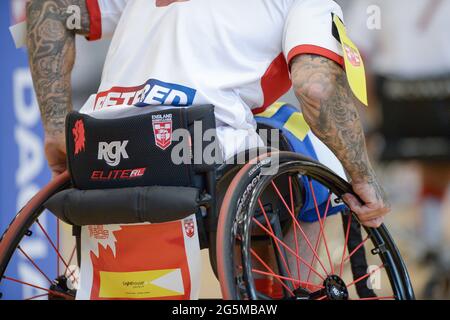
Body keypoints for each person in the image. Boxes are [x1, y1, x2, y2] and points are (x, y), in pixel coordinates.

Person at [26, 1, 390, 297]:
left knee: (272, 129)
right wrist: (363, 178)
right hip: (192, 151)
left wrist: (57, 129)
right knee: (299, 135)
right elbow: (318, 90)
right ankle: (289, 288)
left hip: (98, 151)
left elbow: (49, 7)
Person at [346, 0, 450, 262]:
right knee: (439, 153)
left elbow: (357, 52)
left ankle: (422, 237)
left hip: (394, 111)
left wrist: (370, 116)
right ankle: (430, 231)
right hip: (443, 107)